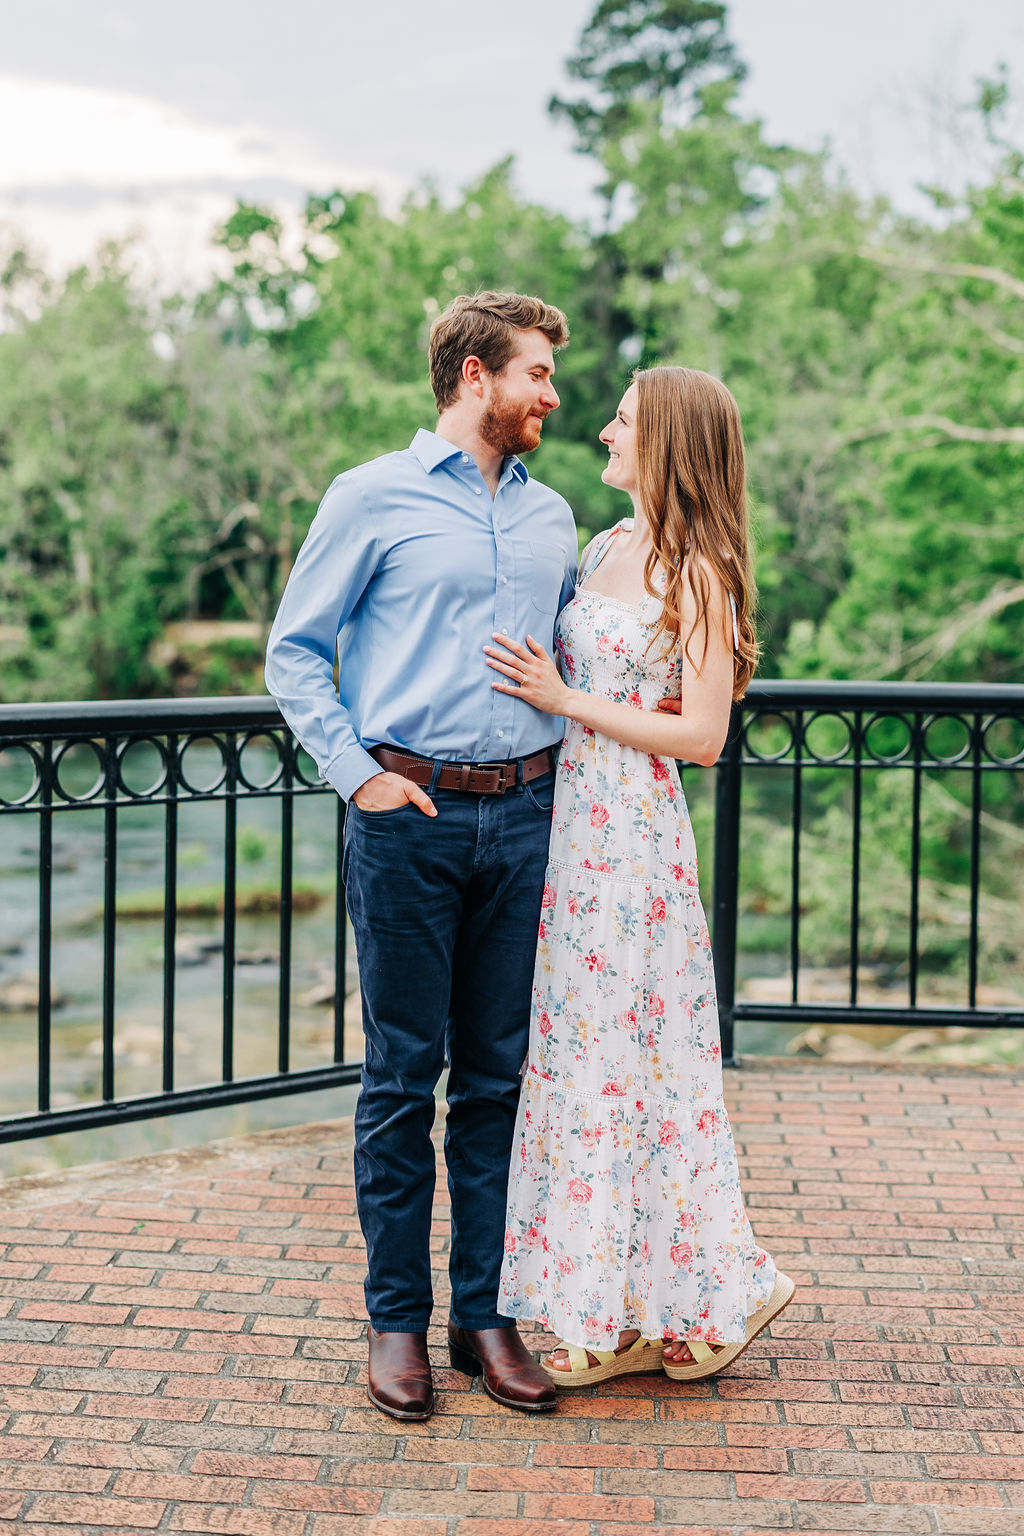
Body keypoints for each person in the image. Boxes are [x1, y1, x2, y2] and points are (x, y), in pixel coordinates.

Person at [264, 291, 579, 1420]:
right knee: (402, 1081)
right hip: (409, 820)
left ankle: (482, 1319)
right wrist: (363, 780)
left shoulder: (553, 519)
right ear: (474, 376)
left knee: (495, 1084)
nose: (552, 393)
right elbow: (293, 656)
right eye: (536, 372)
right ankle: (393, 1320)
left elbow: (577, 661)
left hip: (529, 819)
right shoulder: (370, 496)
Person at [489, 366, 793, 1386]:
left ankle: (720, 1287)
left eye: (624, 418)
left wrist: (564, 699)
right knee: (581, 1061)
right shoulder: (607, 546)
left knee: (642, 1060)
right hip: (567, 830)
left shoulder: (697, 572)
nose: (605, 429)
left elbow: (701, 735)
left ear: (665, 441)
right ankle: (613, 1307)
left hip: (632, 841)